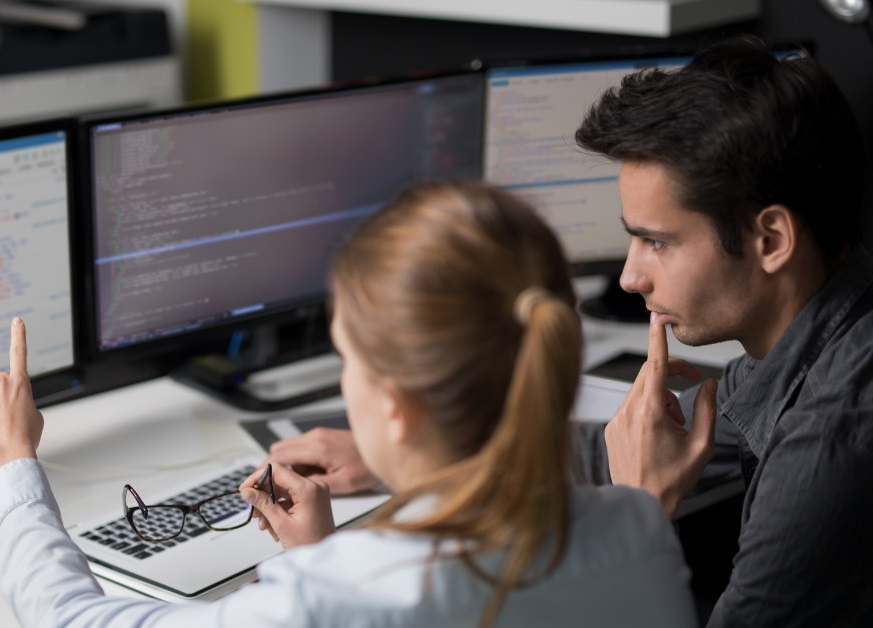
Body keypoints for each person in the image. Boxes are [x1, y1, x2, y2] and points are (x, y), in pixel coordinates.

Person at [275, 38, 873, 627]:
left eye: (657, 241)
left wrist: (642, 516)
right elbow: (632, 444)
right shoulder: (819, 334)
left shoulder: (830, 439)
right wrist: (424, 446)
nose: (631, 276)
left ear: (771, 240)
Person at [0, 180, 696, 627]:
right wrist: (317, 558)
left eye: (348, 359)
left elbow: (77, 620)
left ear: (398, 406)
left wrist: (12, 465)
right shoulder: (639, 522)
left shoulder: (342, 596)